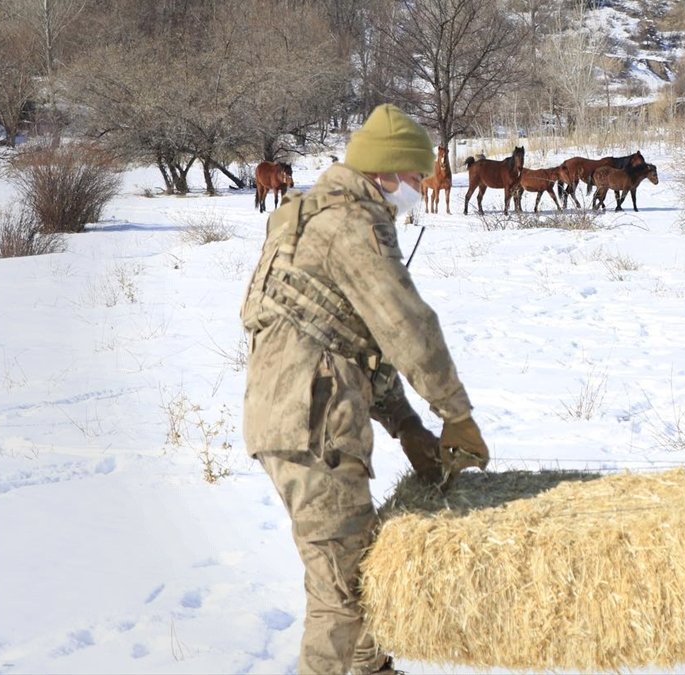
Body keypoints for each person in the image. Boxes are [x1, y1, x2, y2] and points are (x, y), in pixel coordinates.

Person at [240, 103, 491, 674]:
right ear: (387, 173)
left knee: (356, 571)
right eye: (416, 177)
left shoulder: (300, 215)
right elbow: (406, 327)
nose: (421, 188)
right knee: (341, 593)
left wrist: (407, 428)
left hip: (287, 416)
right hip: (315, 425)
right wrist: (456, 415)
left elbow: (342, 335)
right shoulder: (352, 225)